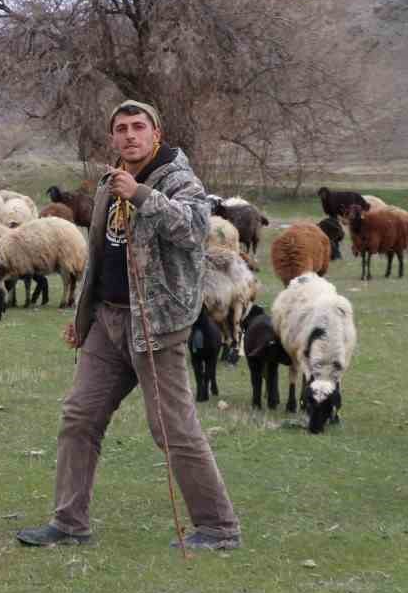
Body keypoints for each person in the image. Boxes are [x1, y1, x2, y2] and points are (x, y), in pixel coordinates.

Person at [16, 100, 241, 550]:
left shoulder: (180, 180)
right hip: (108, 320)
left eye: (139, 127)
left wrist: (140, 194)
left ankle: (219, 528)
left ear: (156, 133)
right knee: (79, 417)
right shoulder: (108, 181)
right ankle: (69, 523)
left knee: (173, 429)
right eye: (121, 128)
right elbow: (98, 254)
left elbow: (193, 230)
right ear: (113, 137)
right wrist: (82, 316)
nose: (130, 135)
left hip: (156, 325)